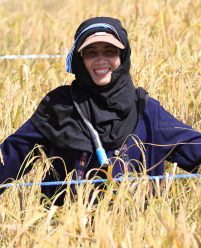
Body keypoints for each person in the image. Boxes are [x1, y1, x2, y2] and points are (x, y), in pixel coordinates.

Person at [0, 17, 201, 206]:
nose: (100, 60)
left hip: (131, 235)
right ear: (80, 59)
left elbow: (193, 149)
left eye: (110, 51)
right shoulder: (58, 106)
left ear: (122, 56)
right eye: (90, 52)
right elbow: (11, 155)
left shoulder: (146, 111)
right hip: (64, 233)